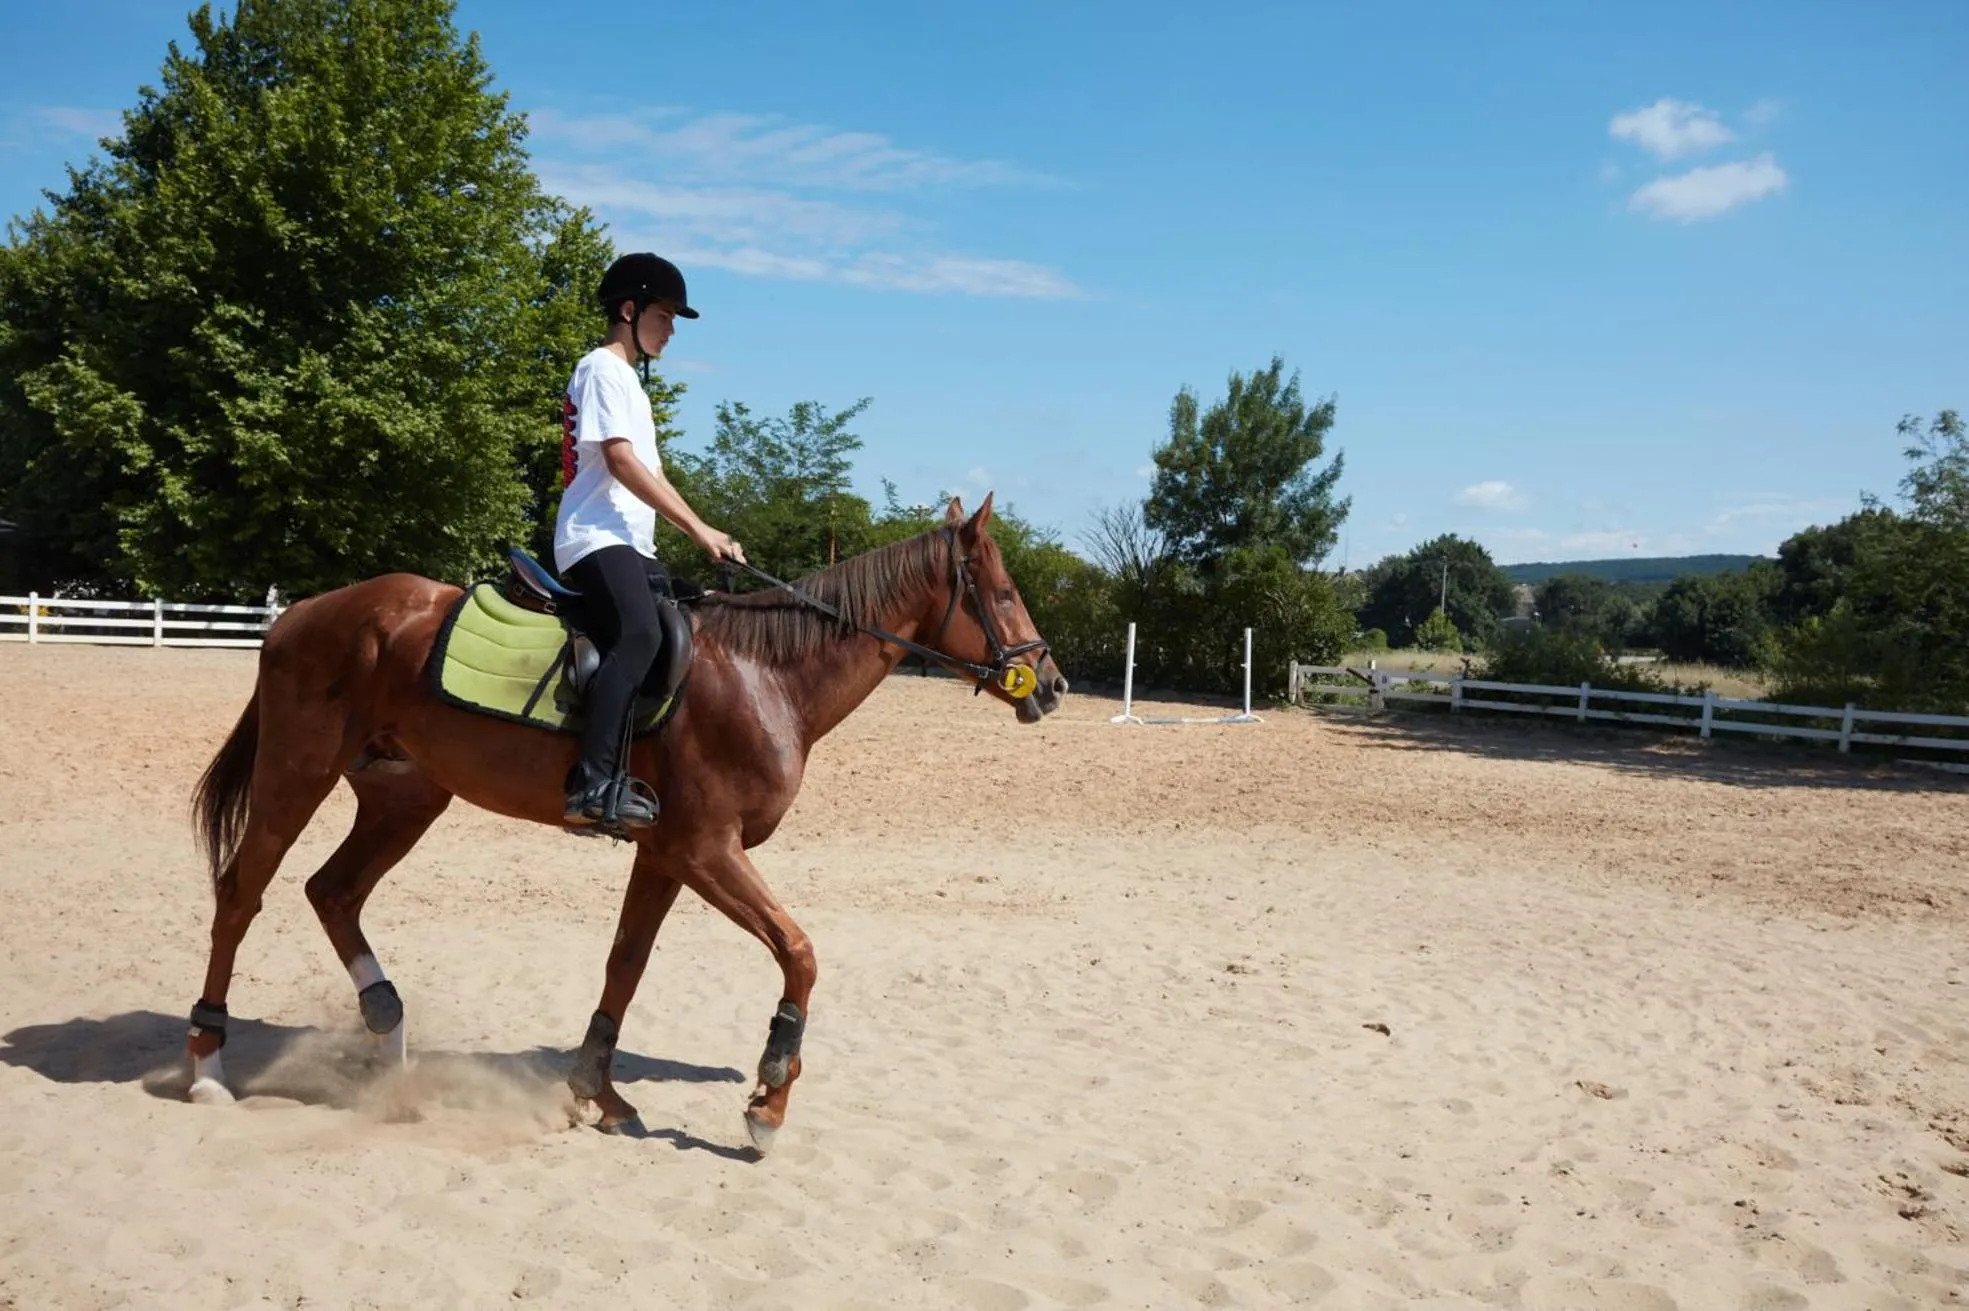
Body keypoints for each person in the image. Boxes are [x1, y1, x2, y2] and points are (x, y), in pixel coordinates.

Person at [554, 252, 746, 829]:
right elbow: (619, 461)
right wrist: (696, 527)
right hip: (593, 536)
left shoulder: (632, 386)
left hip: (632, 542)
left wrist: (706, 534)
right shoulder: (602, 368)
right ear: (630, 309)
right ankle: (591, 786)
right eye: (664, 316)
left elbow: (654, 476)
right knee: (637, 633)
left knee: (688, 615)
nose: (669, 331)